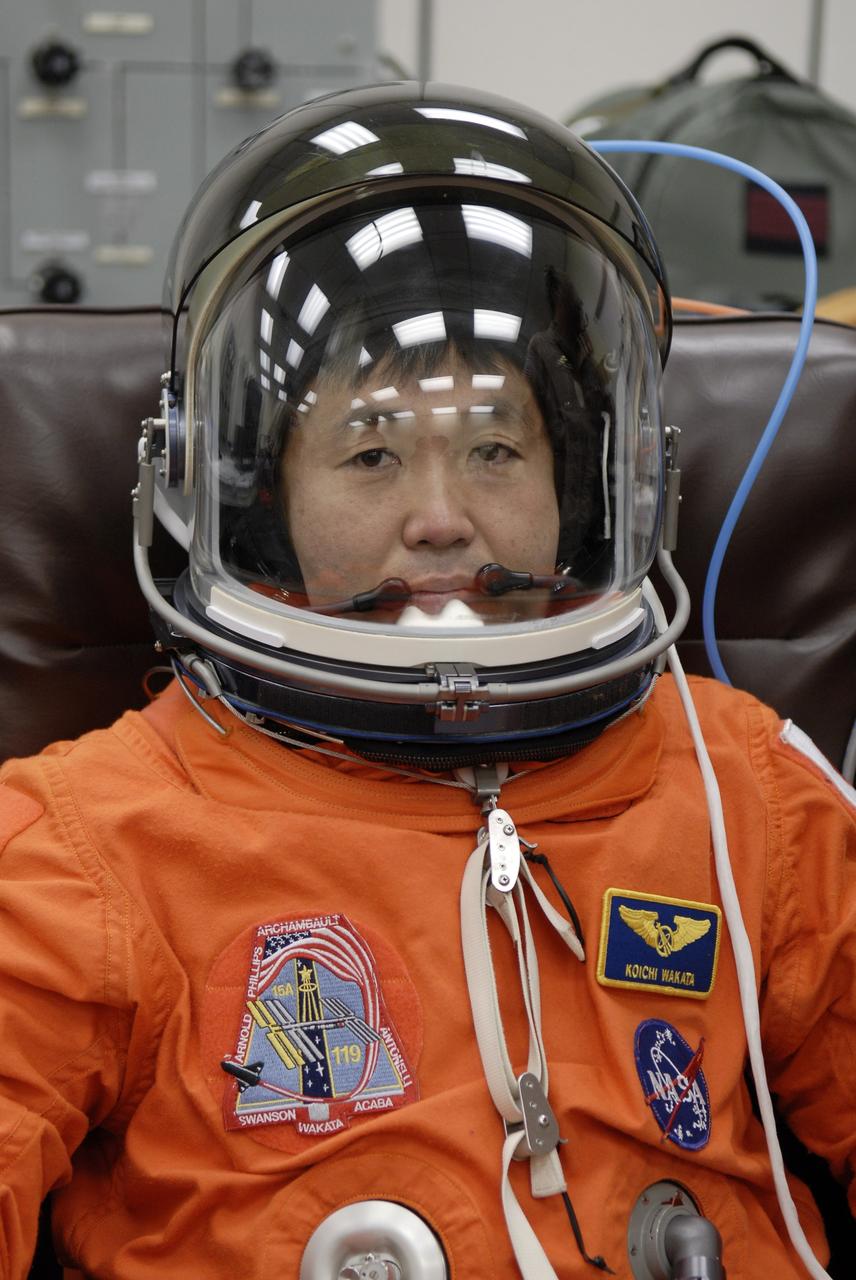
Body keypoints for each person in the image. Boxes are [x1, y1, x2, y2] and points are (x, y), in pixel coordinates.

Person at [0, 82, 853, 1280]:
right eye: (372, 450)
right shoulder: (86, 847)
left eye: (497, 447)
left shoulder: (745, 792)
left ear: (601, 488)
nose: (443, 519)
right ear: (248, 495)